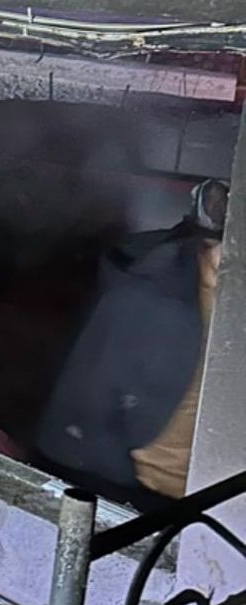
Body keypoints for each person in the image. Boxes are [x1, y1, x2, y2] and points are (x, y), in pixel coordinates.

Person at [36, 180, 229, 509]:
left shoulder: (224, 307)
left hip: (206, 499)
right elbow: (86, 411)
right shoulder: (148, 294)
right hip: (135, 493)